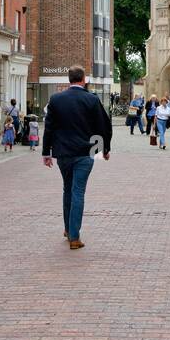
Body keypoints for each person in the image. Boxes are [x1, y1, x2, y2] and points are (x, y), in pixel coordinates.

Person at [42, 65, 111, 250]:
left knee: (67, 189)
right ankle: (74, 236)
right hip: (85, 152)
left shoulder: (56, 99)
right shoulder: (91, 99)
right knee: (78, 191)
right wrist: (104, 149)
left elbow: (49, 127)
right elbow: (103, 125)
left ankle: (67, 228)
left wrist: (46, 152)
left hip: (63, 152)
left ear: (69, 79)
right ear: (84, 79)